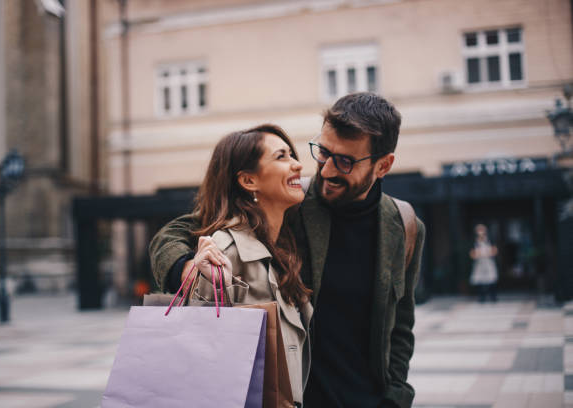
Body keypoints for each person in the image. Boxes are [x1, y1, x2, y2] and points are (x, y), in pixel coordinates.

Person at [150, 93, 425, 408]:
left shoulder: (404, 226)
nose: (326, 171)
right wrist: (186, 269)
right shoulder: (291, 199)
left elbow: (400, 327)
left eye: (345, 161)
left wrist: (395, 399)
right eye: (323, 152)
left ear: (383, 165)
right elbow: (173, 234)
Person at [165, 124, 313, 406]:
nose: (297, 164)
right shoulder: (223, 250)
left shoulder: (284, 248)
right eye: (282, 157)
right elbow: (199, 362)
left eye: (292, 154)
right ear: (248, 181)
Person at [469, 224, 498, 302]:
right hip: (479, 263)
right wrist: (477, 255)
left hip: (488, 262)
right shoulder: (474, 241)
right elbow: (472, 254)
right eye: (479, 230)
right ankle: (481, 297)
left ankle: (493, 297)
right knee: (479, 280)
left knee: (491, 279)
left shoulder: (490, 240)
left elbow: (494, 251)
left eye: (482, 230)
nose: (480, 232)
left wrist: (487, 254)